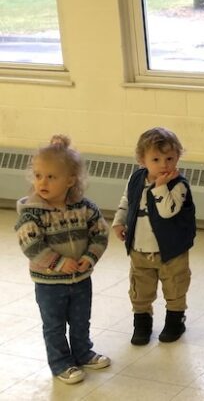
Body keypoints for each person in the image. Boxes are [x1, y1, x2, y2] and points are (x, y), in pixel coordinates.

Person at [15, 135, 111, 384]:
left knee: (80, 320)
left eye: (51, 177)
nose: (42, 182)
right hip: (49, 283)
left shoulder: (85, 207)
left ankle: (82, 353)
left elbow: (100, 233)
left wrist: (90, 257)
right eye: (38, 175)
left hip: (80, 279)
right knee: (54, 325)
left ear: (70, 180)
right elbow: (30, 244)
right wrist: (57, 262)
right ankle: (60, 363)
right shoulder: (32, 213)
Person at [112, 127, 196, 345]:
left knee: (175, 286)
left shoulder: (179, 185)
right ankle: (142, 322)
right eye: (156, 159)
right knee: (140, 288)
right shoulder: (136, 179)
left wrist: (160, 187)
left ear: (177, 157)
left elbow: (168, 211)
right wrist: (119, 221)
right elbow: (127, 201)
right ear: (142, 160)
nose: (164, 165)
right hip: (140, 249)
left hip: (171, 250)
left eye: (170, 158)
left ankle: (175, 320)